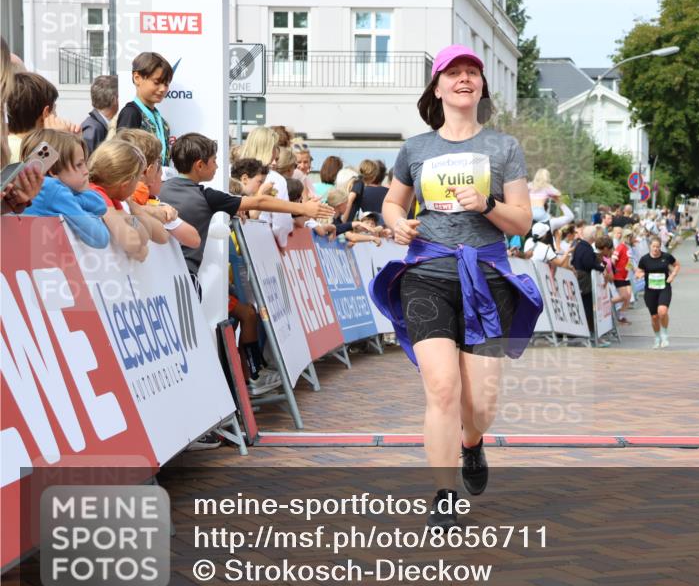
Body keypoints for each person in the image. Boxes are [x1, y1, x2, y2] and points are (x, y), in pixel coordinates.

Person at [369, 44, 542, 531]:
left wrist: (486, 203)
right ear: (438, 86)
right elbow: (392, 205)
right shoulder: (415, 149)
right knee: (442, 389)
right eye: (454, 72)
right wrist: (398, 224)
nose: (464, 79)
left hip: (486, 279)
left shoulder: (503, 147)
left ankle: (472, 444)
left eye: (472, 72)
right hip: (427, 276)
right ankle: (444, 496)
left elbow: (522, 222)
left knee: (480, 405)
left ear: (481, 87)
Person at [159, 132, 334, 283]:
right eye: (214, 161)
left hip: (160, 273)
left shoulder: (161, 188)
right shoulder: (207, 196)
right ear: (199, 165)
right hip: (186, 278)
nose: (218, 166)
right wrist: (304, 209)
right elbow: (259, 202)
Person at [19, 129, 109, 247]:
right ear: (53, 171)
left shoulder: (43, 190)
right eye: (79, 165)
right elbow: (100, 237)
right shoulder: (51, 189)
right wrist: (75, 200)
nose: (86, 171)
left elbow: (100, 205)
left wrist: (73, 200)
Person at [116, 128, 200, 248]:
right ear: (149, 171)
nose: (161, 173)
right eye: (158, 164)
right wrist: (158, 212)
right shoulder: (151, 205)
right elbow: (193, 239)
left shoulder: (112, 197)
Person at [88, 138, 168, 261]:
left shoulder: (112, 196)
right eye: (138, 179)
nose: (138, 185)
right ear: (125, 184)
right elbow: (133, 243)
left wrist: (133, 208)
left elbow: (145, 238)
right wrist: (132, 222)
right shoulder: (96, 194)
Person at [114, 53, 172, 167]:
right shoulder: (130, 113)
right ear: (137, 78)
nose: (163, 89)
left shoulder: (160, 119)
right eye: (157, 82)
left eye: (166, 84)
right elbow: (123, 156)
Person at [238, 127, 294, 247]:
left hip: (233, 240)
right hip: (262, 242)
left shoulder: (230, 171)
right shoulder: (275, 179)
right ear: (270, 149)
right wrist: (282, 243)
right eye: (274, 147)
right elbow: (282, 221)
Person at [635, 236, 680, 349]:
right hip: (650, 290)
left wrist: (673, 275)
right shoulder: (644, 259)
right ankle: (657, 337)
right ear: (650, 246)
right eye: (654, 246)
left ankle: (664, 334)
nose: (655, 249)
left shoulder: (666, 256)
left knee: (663, 312)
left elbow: (677, 265)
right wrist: (639, 275)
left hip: (664, 287)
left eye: (658, 247)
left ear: (660, 247)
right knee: (654, 317)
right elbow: (639, 271)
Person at [7, 72, 60, 161]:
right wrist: (60, 140)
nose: (56, 115)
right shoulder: (37, 153)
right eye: (54, 110)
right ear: (46, 114)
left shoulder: (4, 147)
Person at [610, 229, 633, 323]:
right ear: (626, 237)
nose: (632, 239)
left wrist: (635, 270)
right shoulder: (620, 246)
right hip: (619, 276)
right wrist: (613, 270)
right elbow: (613, 260)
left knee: (628, 297)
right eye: (630, 237)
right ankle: (607, 303)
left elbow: (629, 262)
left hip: (626, 276)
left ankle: (621, 317)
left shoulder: (628, 247)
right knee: (624, 296)